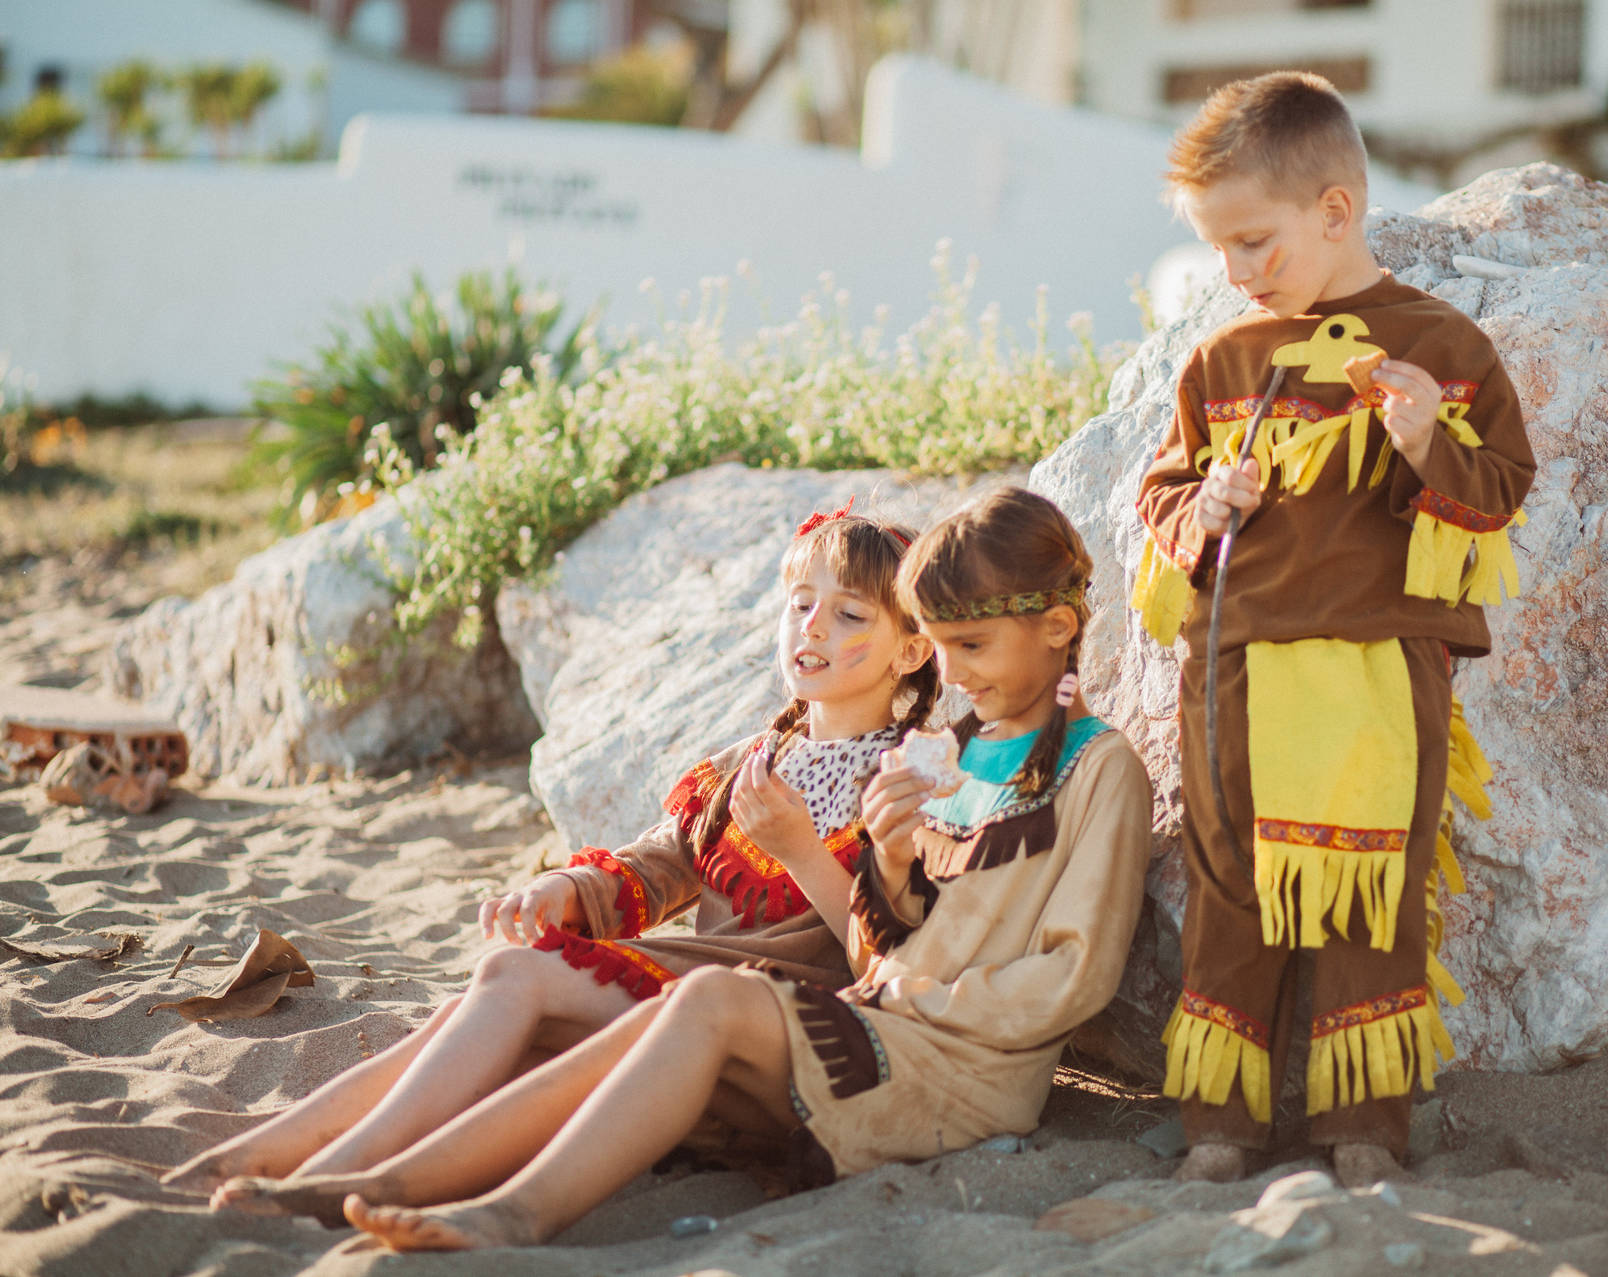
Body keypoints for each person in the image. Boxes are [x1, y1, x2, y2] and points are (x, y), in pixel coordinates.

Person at [211, 485, 1152, 1252]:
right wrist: (896, 867)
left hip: (960, 1060)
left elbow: (1071, 973)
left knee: (686, 998)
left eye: (969, 647)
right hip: (879, 1018)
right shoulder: (947, 755)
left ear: (1061, 629)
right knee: (558, 997)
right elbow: (889, 933)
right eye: (947, 648)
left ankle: (497, 1205)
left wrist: (904, 978)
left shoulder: (1095, 766)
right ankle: (365, 1174)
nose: (954, 671)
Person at [165, 506, 937, 1198]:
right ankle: (278, 1149)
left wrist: (803, 850)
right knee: (504, 1006)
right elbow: (658, 862)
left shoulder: (905, 781)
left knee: (513, 973)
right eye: (801, 604)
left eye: (847, 614)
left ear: (910, 651)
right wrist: (566, 889)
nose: (811, 627)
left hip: (778, 1029)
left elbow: (894, 956)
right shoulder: (750, 761)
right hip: (679, 1005)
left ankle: (344, 1169)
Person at [1133, 71, 1535, 1187]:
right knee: (1230, 881)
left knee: (1373, 883)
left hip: (1377, 658)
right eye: (1220, 250)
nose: (1237, 273)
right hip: (1236, 659)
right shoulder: (1219, 362)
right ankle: (1220, 1120)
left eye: (1255, 242)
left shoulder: (1441, 346)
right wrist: (1205, 506)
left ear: (1336, 211)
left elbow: (1499, 488)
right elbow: (1160, 499)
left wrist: (1422, 441)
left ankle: (1365, 1125)